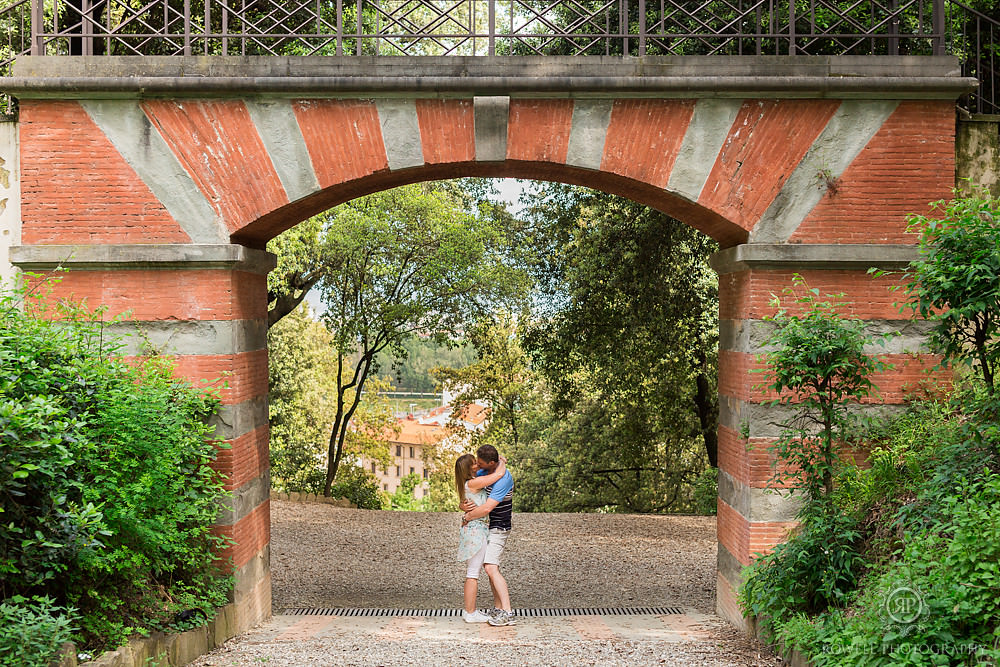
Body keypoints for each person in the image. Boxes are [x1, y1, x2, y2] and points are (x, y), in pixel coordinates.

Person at [460, 444, 515, 627]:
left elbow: (486, 508)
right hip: (486, 527)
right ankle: (499, 608)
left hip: (499, 527)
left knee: (490, 567)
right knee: (487, 568)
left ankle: (507, 612)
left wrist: (467, 516)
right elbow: (471, 492)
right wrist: (463, 506)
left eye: (480, 463)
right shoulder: (485, 473)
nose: (478, 466)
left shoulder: (503, 479)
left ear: (491, 462)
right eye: (476, 464)